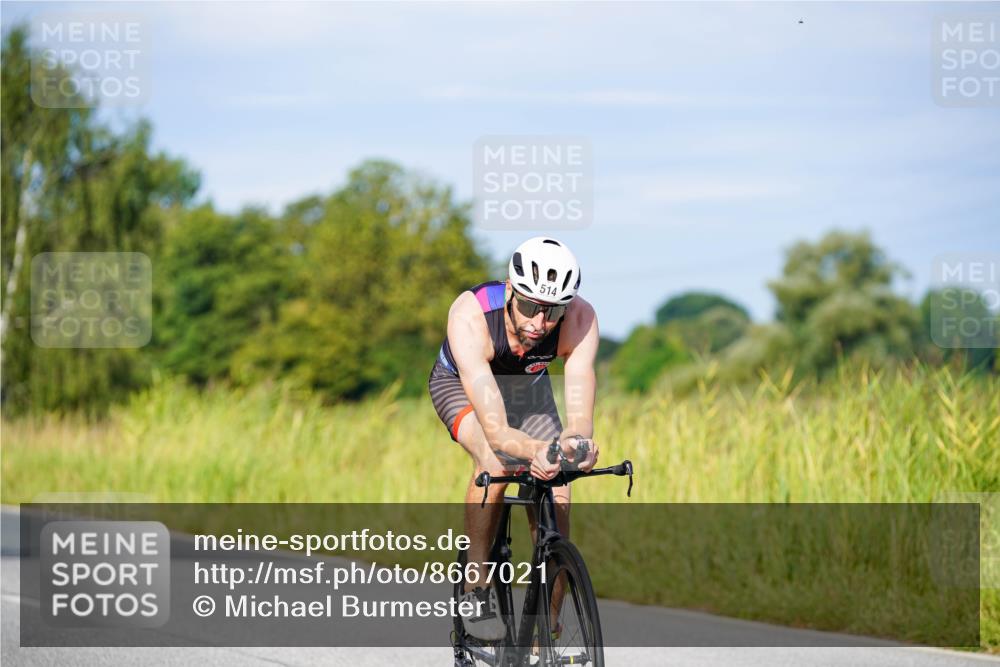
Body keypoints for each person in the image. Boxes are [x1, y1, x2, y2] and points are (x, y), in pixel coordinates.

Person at [427, 236, 600, 640]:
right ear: (509, 290)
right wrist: (537, 449)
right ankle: (476, 583)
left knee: (558, 489)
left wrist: (577, 445)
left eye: (552, 311)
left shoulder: (580, 319)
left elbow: (579, 414)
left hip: (526, 389)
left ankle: (546, 624)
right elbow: (498, 431)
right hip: (461, 385)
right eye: (529, 306)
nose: (540, 323)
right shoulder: (470, 316)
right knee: (497, 462)